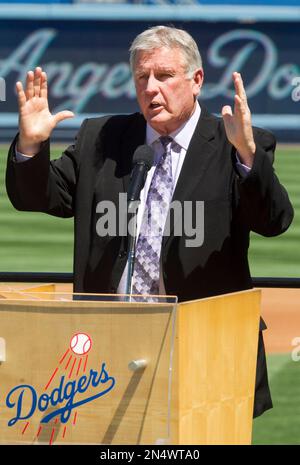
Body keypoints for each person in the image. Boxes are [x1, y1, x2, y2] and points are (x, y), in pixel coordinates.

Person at [6, 26, 293, 419]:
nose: (152, 88)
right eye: (143, 77)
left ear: (196, 80)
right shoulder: (101, 138)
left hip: (204, 348)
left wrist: (247, 156)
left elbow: (274, 220)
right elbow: (39, 196)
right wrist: (30, 145)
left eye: (165, 75)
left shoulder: (236, 142)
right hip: (110, 348)